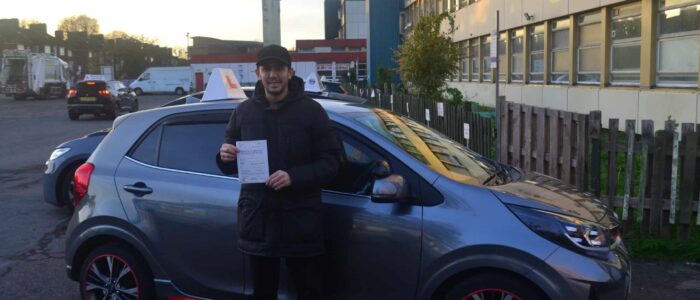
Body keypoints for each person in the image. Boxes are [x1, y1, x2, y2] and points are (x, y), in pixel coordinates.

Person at [216, 44, 341, 300]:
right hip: (258, 225)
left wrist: (294, 177)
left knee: (309, 293)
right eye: (267, 69)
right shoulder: (243, 112)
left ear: (290, 72)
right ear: (257, 73)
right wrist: (224, 156)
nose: (273, 75)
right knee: (263, 294)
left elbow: (332, 162)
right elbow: (228, 162)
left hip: (301, 225)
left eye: (279, 69)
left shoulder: (311, 111)